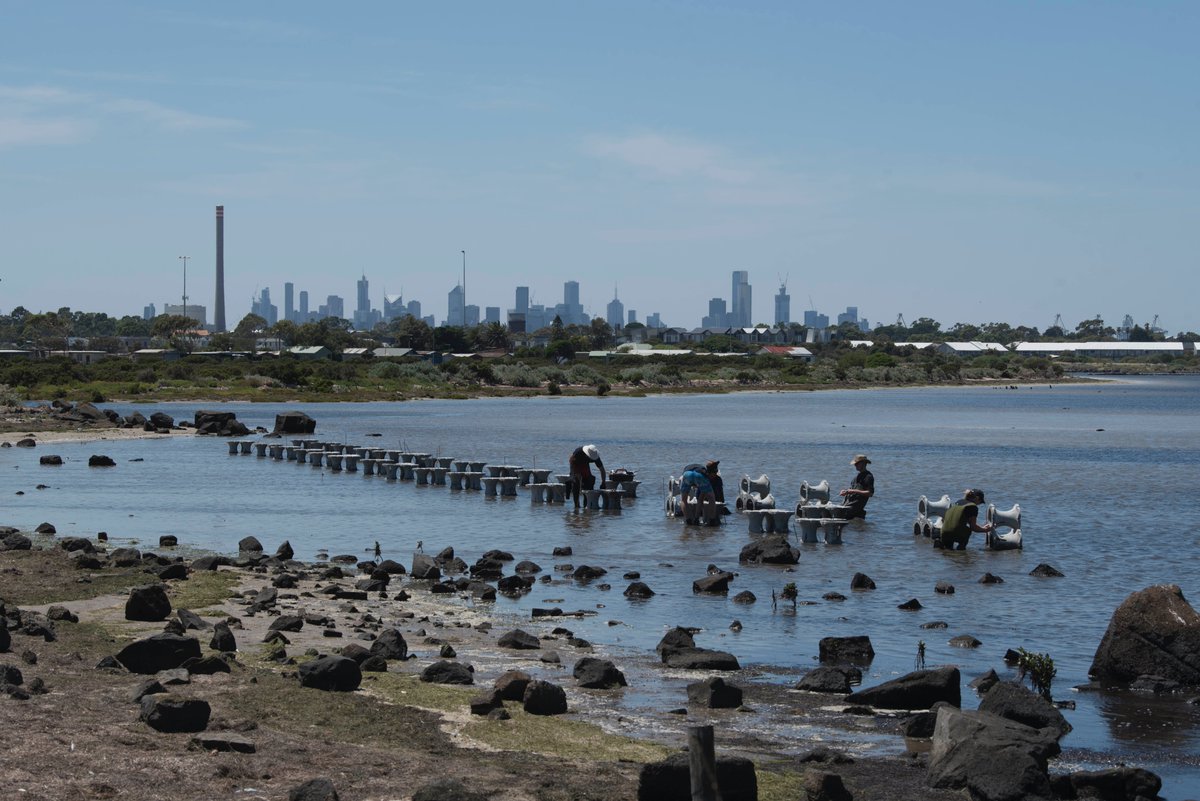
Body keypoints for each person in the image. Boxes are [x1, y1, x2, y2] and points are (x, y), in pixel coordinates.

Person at [568, 444, 605, 509]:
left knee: (589, 481)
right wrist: (577, 475)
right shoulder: (579, 452)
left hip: (585, 464)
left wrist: (603, 482)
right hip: (575, 463)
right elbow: (571, 460)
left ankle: (586, 505)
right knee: (575, 482)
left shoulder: (595, 457)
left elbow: (602, 470)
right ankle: (576, 506)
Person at [838, 454, 875, 519]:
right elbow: (851, 490)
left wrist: (853, 491)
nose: (855, 465)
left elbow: (870, 493)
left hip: (855, 511)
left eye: (857, 463)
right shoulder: (856, 477)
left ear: (863, 463)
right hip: (847, 506)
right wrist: (845, 492)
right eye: (855, 464)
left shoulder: (868, 477)